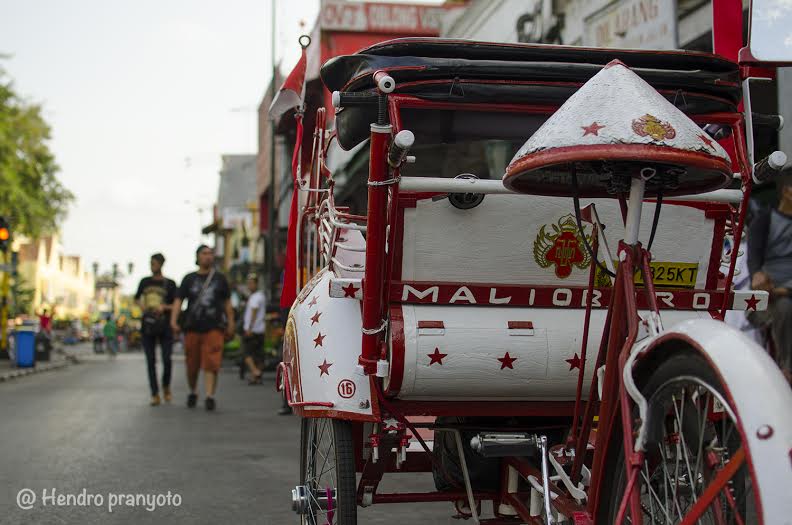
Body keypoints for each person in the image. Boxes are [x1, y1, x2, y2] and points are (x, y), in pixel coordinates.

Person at [170, 245, 235, 411]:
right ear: (197, 257)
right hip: (192, 327)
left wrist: (231, 322)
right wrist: (174, 320)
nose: (208, 257)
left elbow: (227, 303)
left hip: (214, 327)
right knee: (192, 364)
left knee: (212, 362)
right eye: (204, 254)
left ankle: (209, 396)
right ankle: (193, 391)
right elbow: (178, 301)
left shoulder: (220, 279)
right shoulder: (188, 279)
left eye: (210, 254)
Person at [748, 175, 792, 380]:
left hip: (784, 291)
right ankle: (787, 371)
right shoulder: (763, 221)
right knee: (785, 307)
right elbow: (755, 266)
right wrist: (760, 278)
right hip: (770, 299)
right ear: (787, 191)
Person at [135, 253, 177, 406]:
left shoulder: (170, 284)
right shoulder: (144, 282)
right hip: (148, 324)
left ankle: (166, 385)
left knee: (167, 359)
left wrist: (164, 307)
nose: (151, 266)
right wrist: (144, 308)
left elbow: (177, 304)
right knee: (150, 360)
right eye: (150, 263)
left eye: (154, 263)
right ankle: (154, 393)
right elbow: (136, 298)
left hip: (164, 325)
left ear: (161, 264)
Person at [242, 274, 266, 384]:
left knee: (247, 353)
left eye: (251, 283)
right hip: (260, 329)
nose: (249, 285)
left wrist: (250, 328)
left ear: (256, 284)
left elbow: (254, 312)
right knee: (258, 355)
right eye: (248, 283)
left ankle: (255, 372)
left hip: (253, 330)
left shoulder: (256, 297)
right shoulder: (260, 296)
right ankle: (256, 376)